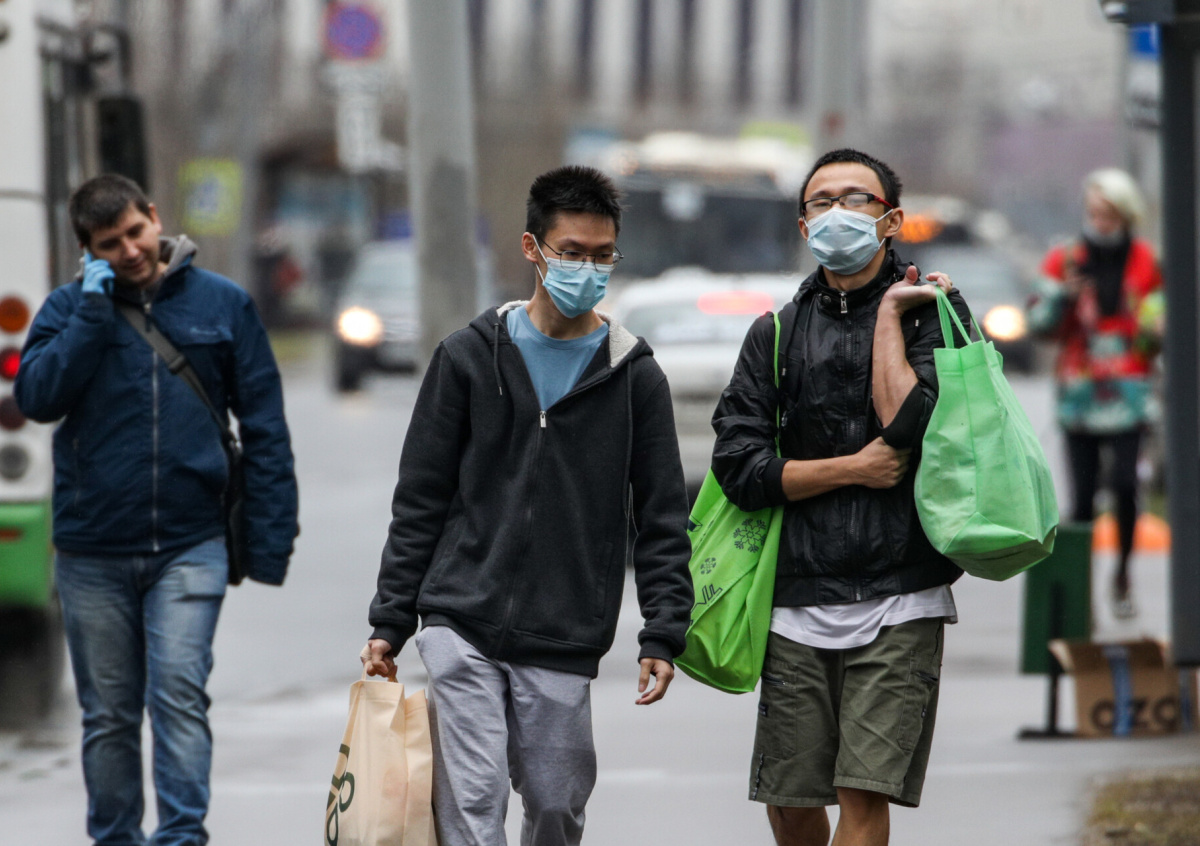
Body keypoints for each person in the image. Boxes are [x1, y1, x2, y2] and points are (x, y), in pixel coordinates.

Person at [361, 165, 693, 846]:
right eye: (572, 252)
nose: (587, 270)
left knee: (555, 805)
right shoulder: (466, 358)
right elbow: (420, 500)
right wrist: (391, 620)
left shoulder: (635, 377)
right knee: (473, 805)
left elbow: (661, 517)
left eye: (602, 256)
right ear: (532, 249)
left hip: (564, 633)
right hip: (460, 619)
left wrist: (663, 630)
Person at [14, 174, 299, 846]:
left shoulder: (223, 304)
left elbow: (265, 428)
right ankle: (115, 838)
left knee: (178, 695)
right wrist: (90, 316)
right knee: (110, 715)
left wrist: (268, 541)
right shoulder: (66, 311)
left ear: (153, 216)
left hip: (190, 543)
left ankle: (180, 837)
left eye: (135, 232)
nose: (130, 251)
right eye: (109, 244)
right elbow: (37, 399)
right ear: (88, 251)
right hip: (91, 551)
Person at [711, 148, 973, 846]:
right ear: (803, 227)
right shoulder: (774, 334)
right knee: (792, 804)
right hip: (796, 597)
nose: (838, 213)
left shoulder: (937, 316)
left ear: (892, 220)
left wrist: (889, 317)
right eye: (821, 202)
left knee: (863, 793)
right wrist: (853, 469)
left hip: (903, 592)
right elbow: (739, 468)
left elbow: (910, 427)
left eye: (857, 199)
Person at [1028, 168, 1162, 620]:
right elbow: (1039, 325)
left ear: (1126, 215)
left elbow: (1158, 326)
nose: (1100, 222)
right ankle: (1079, 590)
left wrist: (1156, 329)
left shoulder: (1146, 261)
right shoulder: (1065, 260)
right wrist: (1064, 297)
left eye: (1109, 214)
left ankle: (1122, 574)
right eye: (1094, 213)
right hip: (1080, 394)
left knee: (1125, 485)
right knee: (1082, 498)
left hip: (1131, 391)